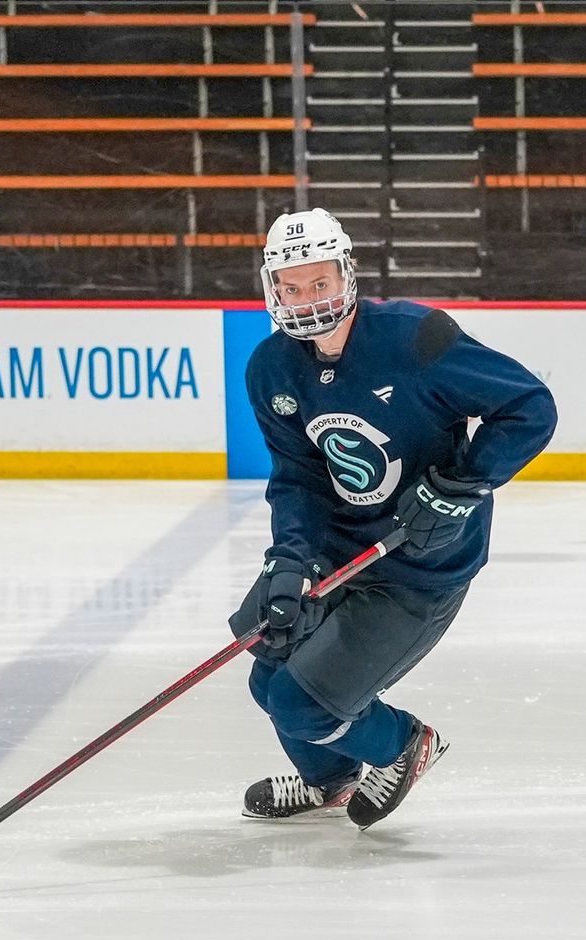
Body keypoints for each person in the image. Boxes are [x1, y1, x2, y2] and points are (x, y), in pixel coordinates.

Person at [229, 207, 557, 830]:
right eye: (291, 286)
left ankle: (404, 744)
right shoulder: (271, 367)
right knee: (266, 672)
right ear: (272, 288)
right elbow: (298, 476)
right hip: (337, 553)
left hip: (418, 566)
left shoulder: (415, 338)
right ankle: (330, 781)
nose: (306, 300)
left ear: (347, 274)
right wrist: (290, 562)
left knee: (300, 706)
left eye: (319, 282)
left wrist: (460, 488)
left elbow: (528, 406)